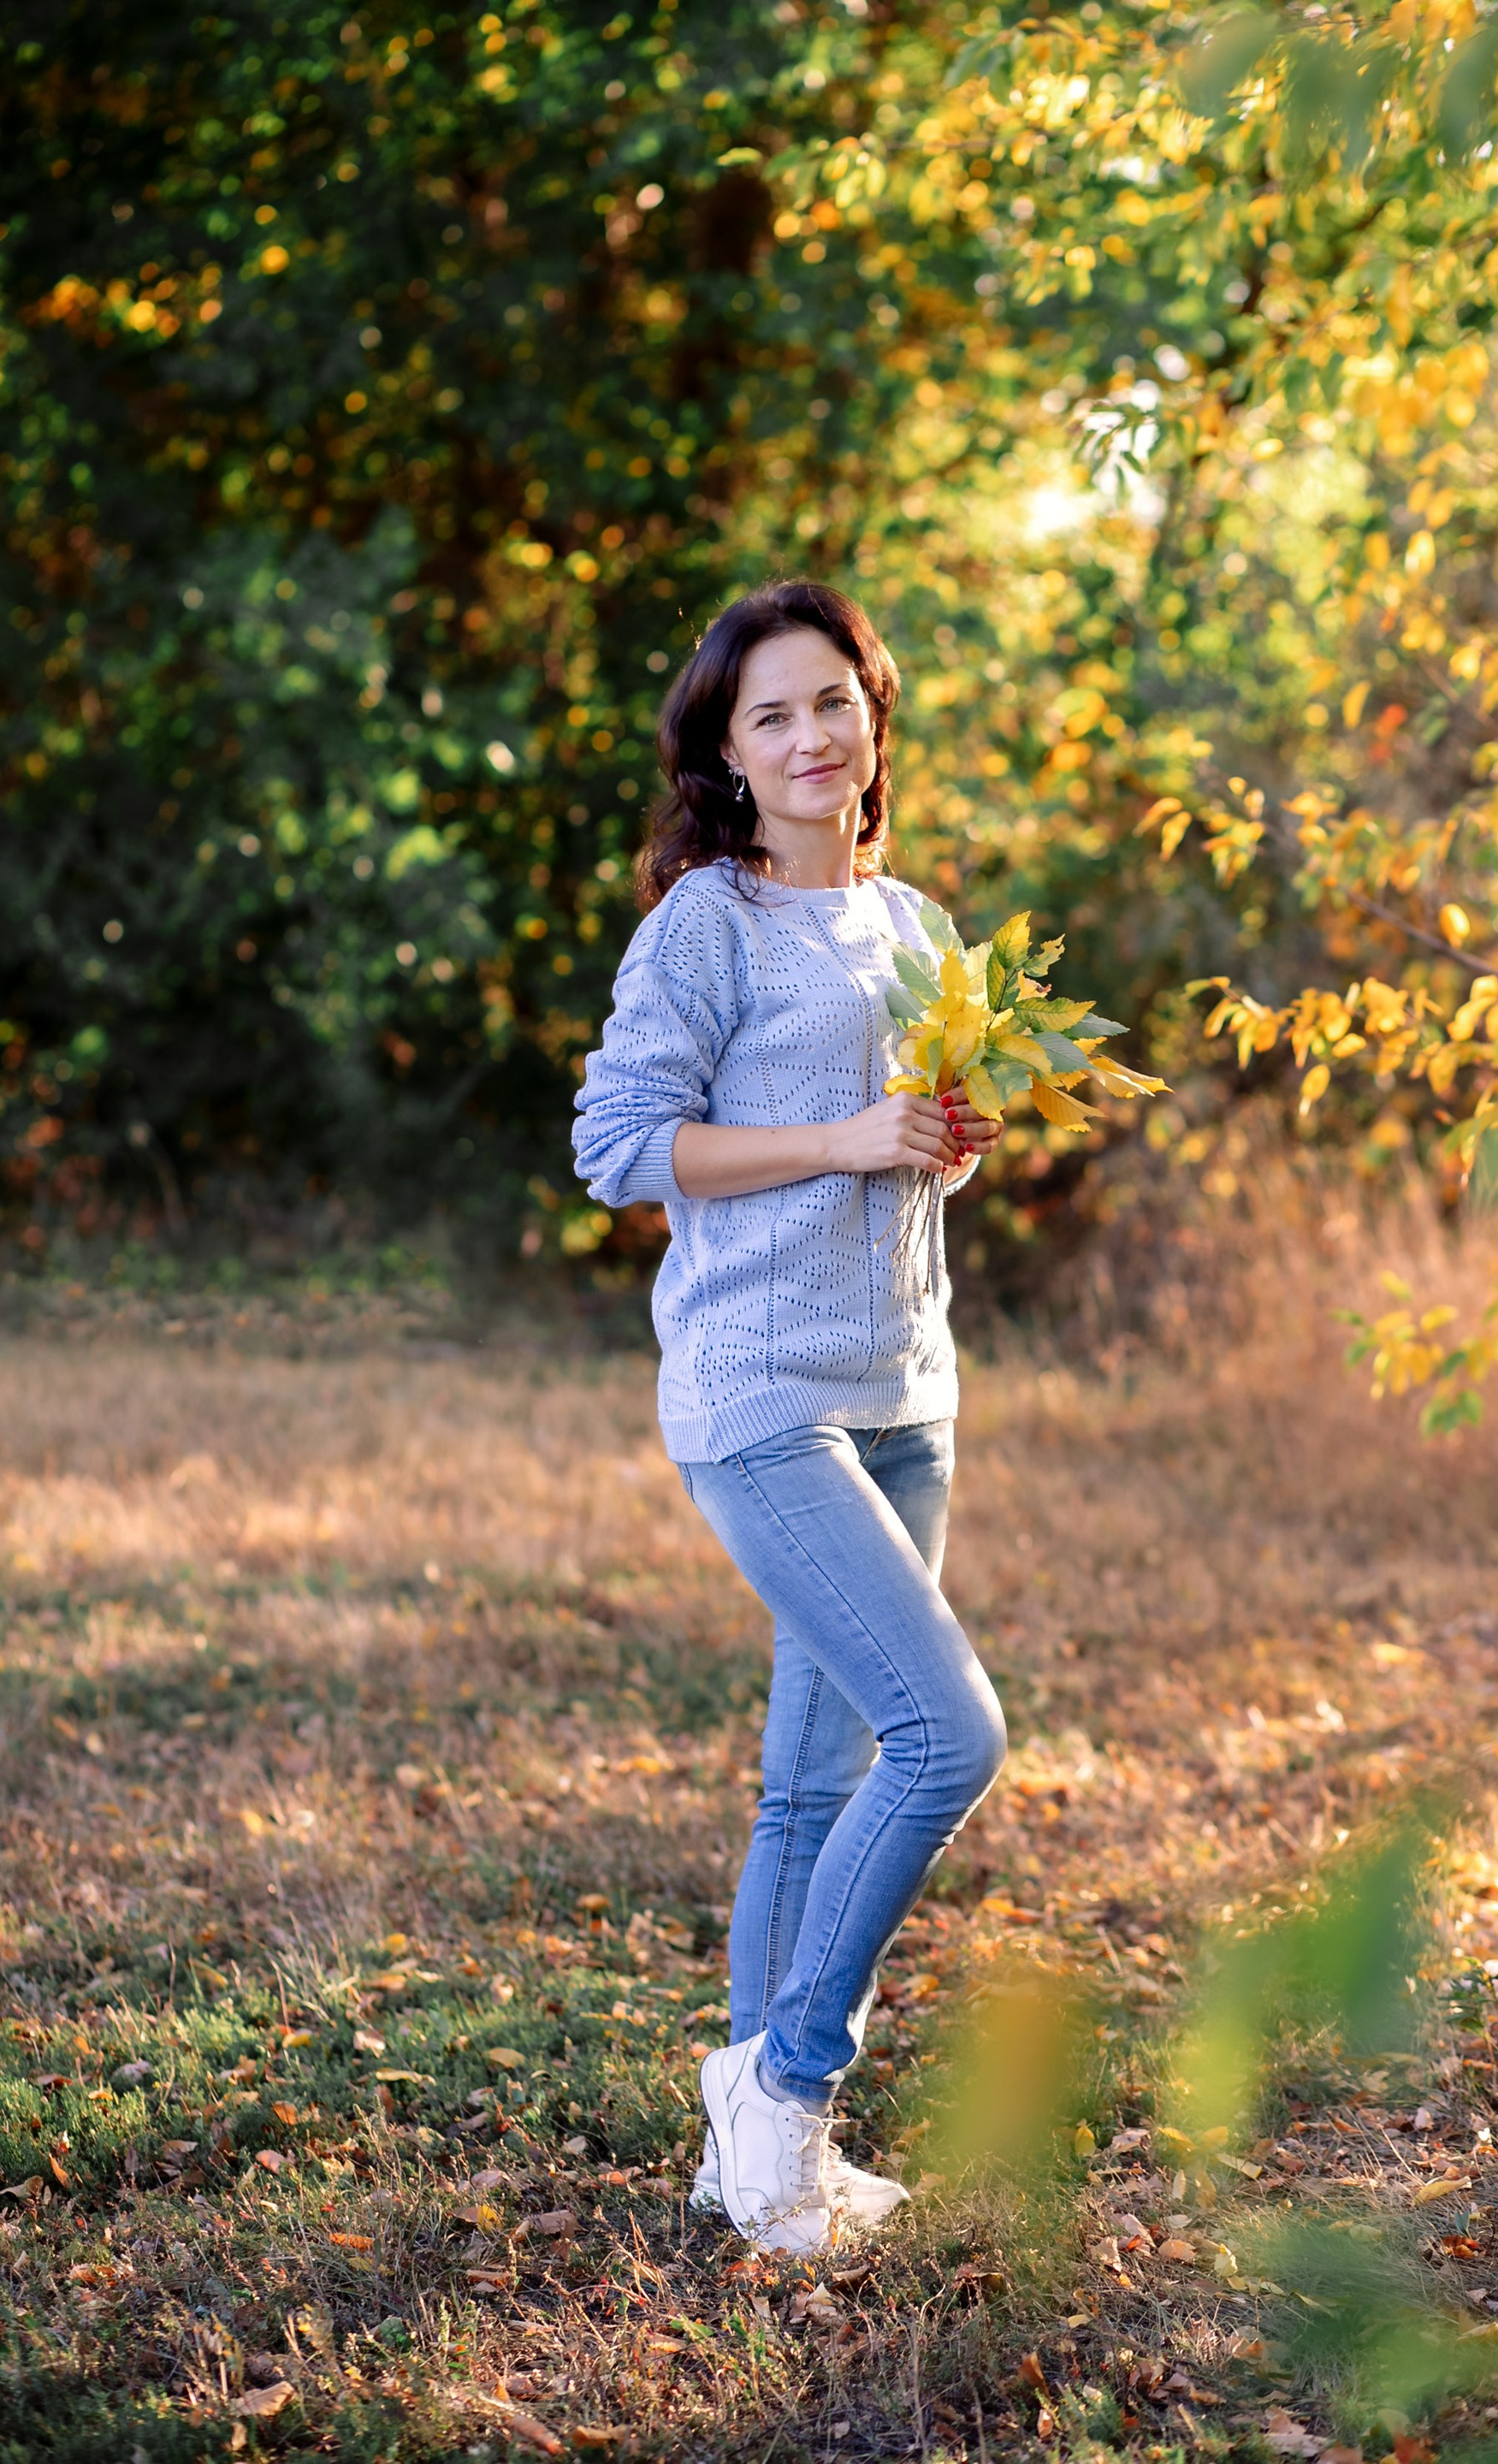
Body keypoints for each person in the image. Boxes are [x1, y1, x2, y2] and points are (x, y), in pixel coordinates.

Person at [571, 578, 1008, 2254]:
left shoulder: (918, 928)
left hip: (906, 1388)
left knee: (813, 1787)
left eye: (834, 701)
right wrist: (841, 1139)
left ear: (873, 719)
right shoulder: (709, 925)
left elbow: (907, 1153)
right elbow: (619, 1146)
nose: (812, 735)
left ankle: (760, 2174)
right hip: (760, 1392)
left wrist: (943, 1144)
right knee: (948, 1735)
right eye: (774, 714)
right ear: (730, 755)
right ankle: (788, 2080)